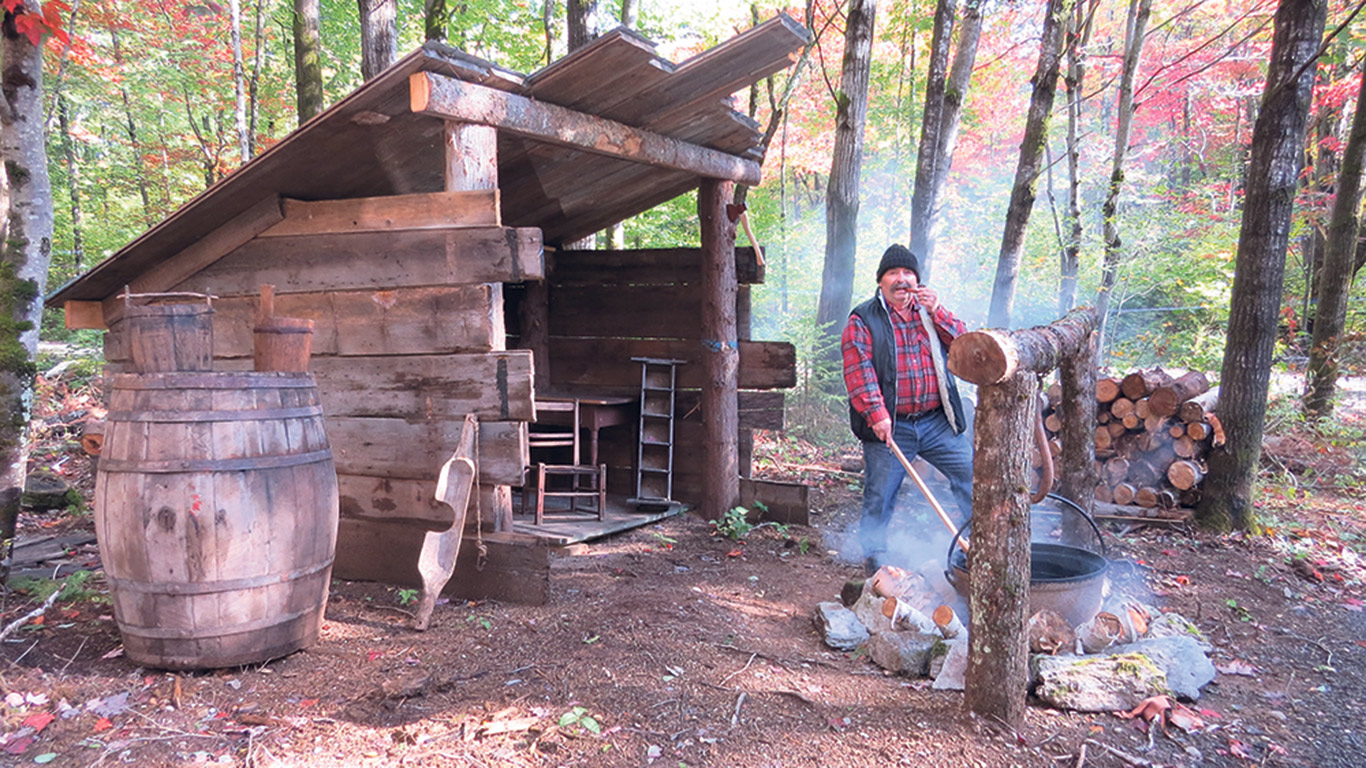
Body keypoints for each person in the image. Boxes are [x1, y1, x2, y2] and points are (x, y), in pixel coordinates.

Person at [841, 244, 973, 575]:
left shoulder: (930, 312)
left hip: (937, 422)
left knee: (970, 476)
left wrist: (939, 310)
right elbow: (860, 372)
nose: (901, 280)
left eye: (907, 273)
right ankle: (875, 564)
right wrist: (877, 415)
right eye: (893, 273)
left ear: (917, 279)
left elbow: (967, 347)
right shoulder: (863, 318)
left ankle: (974, 549)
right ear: (881, 281)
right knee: (880, 495)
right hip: (891, 423)